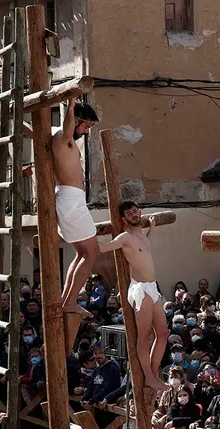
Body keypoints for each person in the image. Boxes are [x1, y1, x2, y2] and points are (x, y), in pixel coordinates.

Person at [99, 201, 169, 391]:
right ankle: (148, 376)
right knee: (144, 335)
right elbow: (104, 248)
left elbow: (146, 247)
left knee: (163, 333)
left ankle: (154, 374)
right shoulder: (125, 237)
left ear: (139, 212)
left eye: (135, 211)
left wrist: (152, 228)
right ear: (124, 219)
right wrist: (84, 240)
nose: (133, 215)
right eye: (129, 214)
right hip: (139, 289)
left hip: (153, 287)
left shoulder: (142, 236)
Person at [52, 99, 100, 318]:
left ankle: (67, 300)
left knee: (83, 252)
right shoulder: (64, 139)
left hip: (71, 199)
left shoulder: (65, 141)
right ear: (76, 121)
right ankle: (70, 301)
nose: (87, 132)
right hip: (70, 200)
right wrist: (70, 106)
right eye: (86, 126)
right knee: (92, 252)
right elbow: (67, 127)